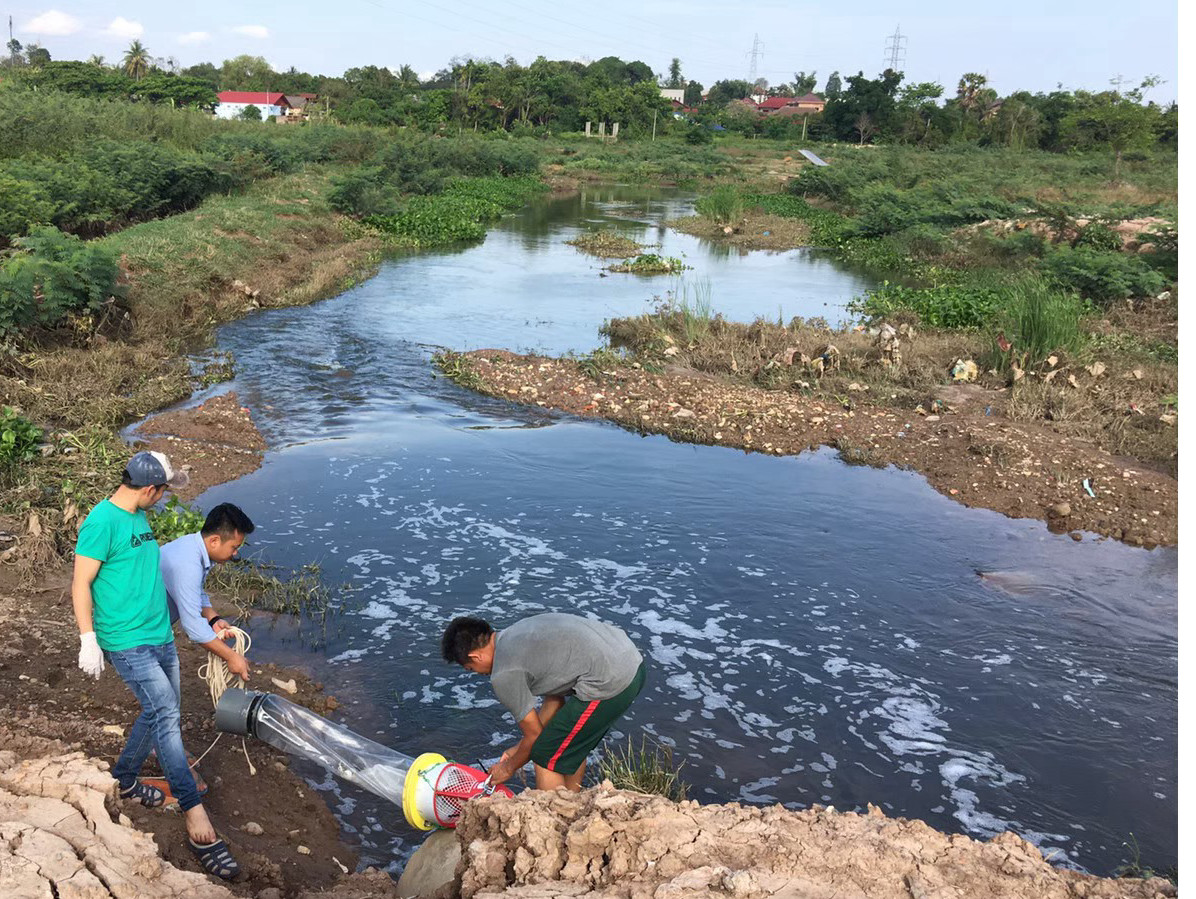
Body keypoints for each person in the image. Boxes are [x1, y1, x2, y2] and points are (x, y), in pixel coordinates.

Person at [72, 451, 240, 881]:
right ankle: (193, 812)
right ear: (150, 489)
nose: (165, 498)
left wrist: (206, 616)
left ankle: (125, 778)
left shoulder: (139, 520)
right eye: (164, 491)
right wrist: (88, 639)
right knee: (166, 714)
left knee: (159, 710)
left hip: (159, 637)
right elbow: (80, 583)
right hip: (126, 642)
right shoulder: (102, 522)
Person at [441, 612, 646, 792]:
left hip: (612, 680)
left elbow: (535, 738)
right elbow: (554, 702)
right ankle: (571, 804)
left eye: (470, 669)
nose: (477, 673)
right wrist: (517, 749)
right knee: (565, 745)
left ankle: (553, 822)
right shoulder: (516, 633)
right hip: (631, 661)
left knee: (545, 756)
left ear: (475, 656)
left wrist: (509, 767)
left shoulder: (504, 673)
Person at [159, 502, 255, 685]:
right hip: (136, 634)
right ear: (214, 541)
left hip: (156, 630)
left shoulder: (192, 547)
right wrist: (231, 656)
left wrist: (213, 619)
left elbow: (195, 591)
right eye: (234, 547)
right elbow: (193, 625)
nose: (235, 554)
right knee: (165, 709)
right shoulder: (188, 564)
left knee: (168, 703)